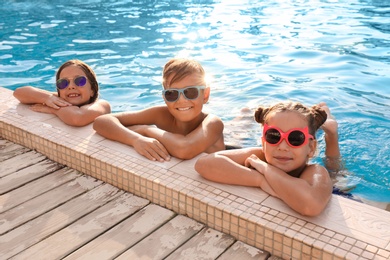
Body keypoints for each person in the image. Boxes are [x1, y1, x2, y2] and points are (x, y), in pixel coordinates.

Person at [195, 101, 337, 217]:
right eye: (273, 136)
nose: (282, 146)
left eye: (295, 138)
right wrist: (260, 180)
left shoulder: (314, 170)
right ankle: (244, 114)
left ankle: (331, 134)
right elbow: (204, 164)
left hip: (331, 178)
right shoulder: (260, 155)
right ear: (263, 143)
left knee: (334, 168)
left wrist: (265, 169)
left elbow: (310, 206)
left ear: (311, 148)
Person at [93, 58, 225, 161]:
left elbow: (184, 150)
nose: (182, 100)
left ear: (205, 95)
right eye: (172, 94)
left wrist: (146, 130)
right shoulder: (161, 114)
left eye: (190, 92)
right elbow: (101, 121)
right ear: (165, 97)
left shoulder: (213, 123)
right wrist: (136, 139)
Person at [13, 59, 111, 126]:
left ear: (92, 90)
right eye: (63, 83)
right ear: (59, 91)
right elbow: (19, 92)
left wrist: (53, 109)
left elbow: (77, 118)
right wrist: (47, 98)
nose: (71, 86)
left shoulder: (102, 105)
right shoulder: (58, 99)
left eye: (79, 81)